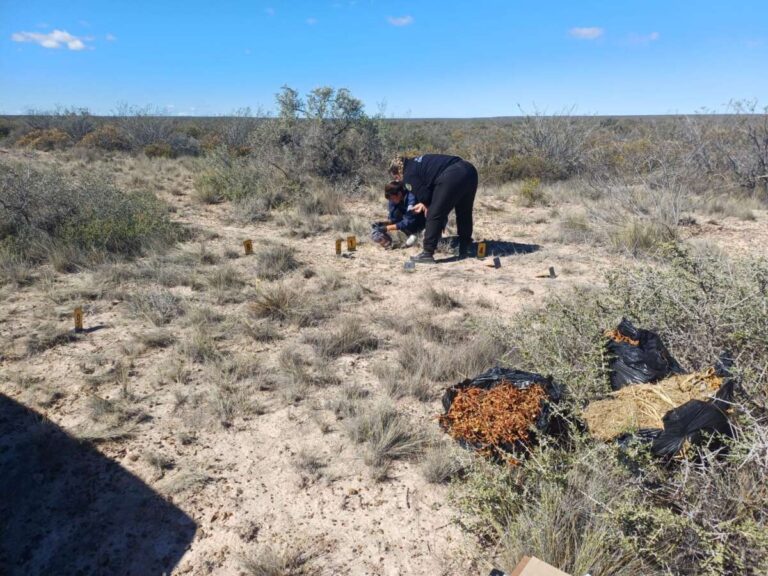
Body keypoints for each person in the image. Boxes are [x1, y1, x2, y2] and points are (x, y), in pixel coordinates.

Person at [389, 154, 478, 263]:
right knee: (464, 212)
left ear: (398, 172)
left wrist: (426, 204)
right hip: (470, 170)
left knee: (434, 213)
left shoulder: (408, 175)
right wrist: (424, 203)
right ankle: (465, 247)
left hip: (453, 174)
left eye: (396, 178)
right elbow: (431, 184)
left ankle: (427, 253)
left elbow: (425, 196)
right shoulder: (416, 163)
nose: (398, 182)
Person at [370, 181, 425, 249]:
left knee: (417, 240)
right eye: (390, 199)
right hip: (408, 227)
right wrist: (383, 224)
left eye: (392, 198)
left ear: (399, 194)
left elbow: (408, 221)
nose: (391, 201)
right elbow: (394, 219)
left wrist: (386, 228)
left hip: (421, 225)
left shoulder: (411, 199)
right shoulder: (393, 199)